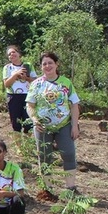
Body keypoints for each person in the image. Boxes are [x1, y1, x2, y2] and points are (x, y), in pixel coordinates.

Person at [26, 51, 80, 192]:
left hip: (64, 125)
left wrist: (75, 126)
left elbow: (74, 105)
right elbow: (30, 105)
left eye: (50, 63)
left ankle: (70, 188)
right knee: (45, 156)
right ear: (41, 67)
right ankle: (47, 189)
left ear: (57, 64)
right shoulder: (36, 84)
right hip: (42, 127)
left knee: (68, 154)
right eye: (44, 64)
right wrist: (35, 120)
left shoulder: (66, 83)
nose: (47, 66)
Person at [2, 45, 36, 133]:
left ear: (19, 54)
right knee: (16, 124)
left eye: (13, 52)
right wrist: (15, 74)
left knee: (28, 123)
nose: (11, 55)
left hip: (27, 96)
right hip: (13, 97)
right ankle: (19, 146)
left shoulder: (28, 65)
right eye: (9, 54)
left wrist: (26, 78)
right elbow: (6, 84)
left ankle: (27, 145)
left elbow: (35, 81)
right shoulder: (7, 68)